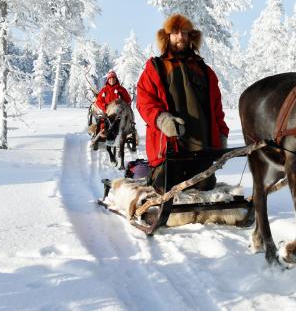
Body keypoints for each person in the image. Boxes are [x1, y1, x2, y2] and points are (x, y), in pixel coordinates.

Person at [136, 14, 229, 193]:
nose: (181, 37)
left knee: (205, 186)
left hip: (201, 147)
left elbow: (217, 109)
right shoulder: (155, 68)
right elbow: (145, 101)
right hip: (169, 148)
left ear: (191, 37)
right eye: (175, 32)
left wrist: (222, 135)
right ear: (167, 36)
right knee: (166, 186)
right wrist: (162, 120)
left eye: (185, 33)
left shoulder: (205, 71)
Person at [94, 70, 132, 139]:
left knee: (124, 119)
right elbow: (98, 101)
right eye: (110, 78)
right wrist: (104, 106)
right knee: (103, 120)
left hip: (119, 111)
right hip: (107, 111)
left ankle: (124, 131)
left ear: (116, 79)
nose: (112, 80)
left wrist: (123, 106)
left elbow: (128, 100)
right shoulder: (104, 90)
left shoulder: (121, 89)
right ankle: (104, 131)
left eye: (113, 78)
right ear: (108, 80)